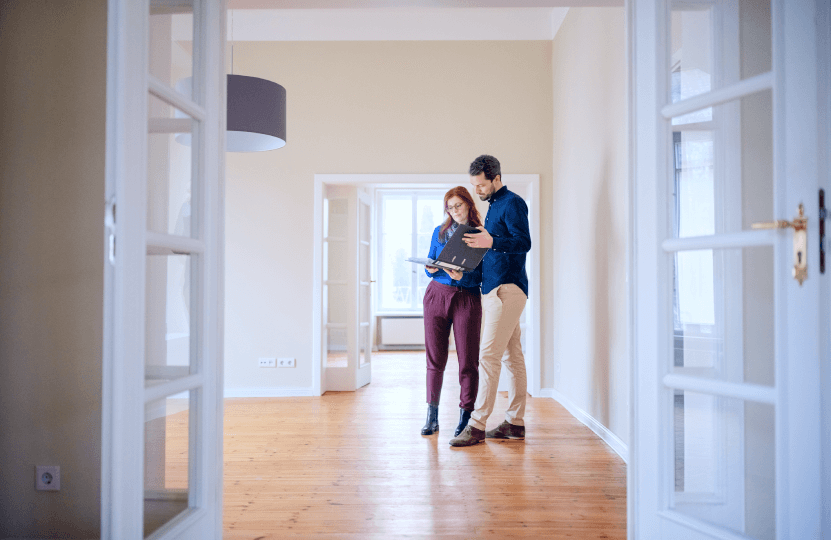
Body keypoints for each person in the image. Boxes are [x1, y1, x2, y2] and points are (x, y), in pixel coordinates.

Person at [449, 154, 531, 447]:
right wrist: (460, 272)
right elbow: (490, 256)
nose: (478, 191)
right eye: (475, 186)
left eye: (481, 185)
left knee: (488, 357)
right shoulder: (494, 208)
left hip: (507, 290)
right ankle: (515, 423)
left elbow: (524, 243)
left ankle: (477, 424)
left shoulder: (513, 203)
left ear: (496, 178)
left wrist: (491, 241)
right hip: (494, 289)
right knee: (512, 356)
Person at [420, 186, 484, 438]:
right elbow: (430, 262)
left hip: (466, 297)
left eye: (458, 205)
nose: (454, 210)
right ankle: (431, 416)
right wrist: (430, 269)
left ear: (468, 204)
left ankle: (465, 416)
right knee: (434, 358)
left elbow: (483, 275)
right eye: (449, 206)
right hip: (436, 295)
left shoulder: (480, 234)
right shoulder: (439, 231)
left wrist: (464, 275)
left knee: (468, 361)